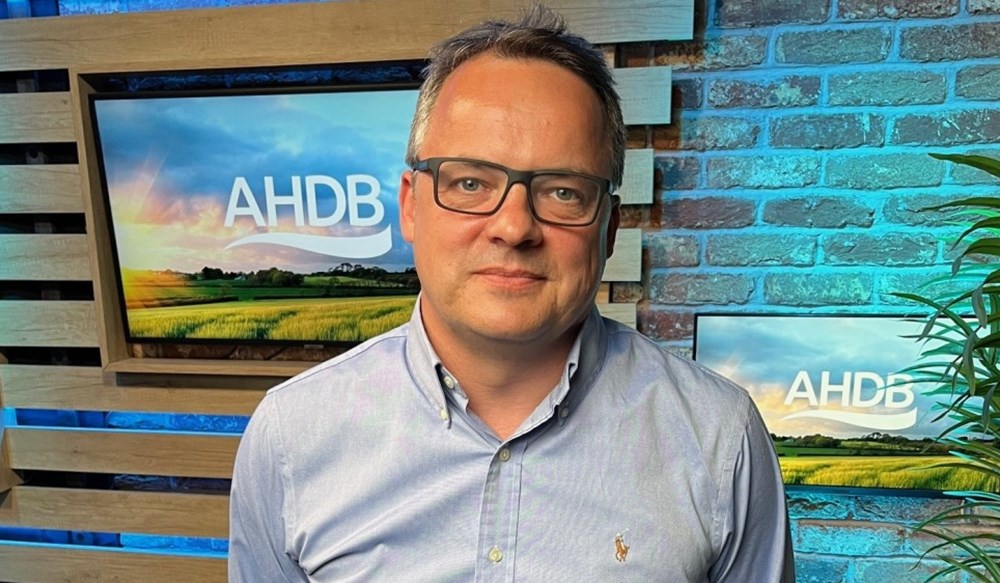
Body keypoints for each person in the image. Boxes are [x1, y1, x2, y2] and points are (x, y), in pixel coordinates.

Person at [229, 5, 795, 581]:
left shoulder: (721, 439)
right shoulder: (289, 437)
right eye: (471, 182)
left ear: (610, 227)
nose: (514, 227)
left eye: (564, 192)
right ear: (409, 206)